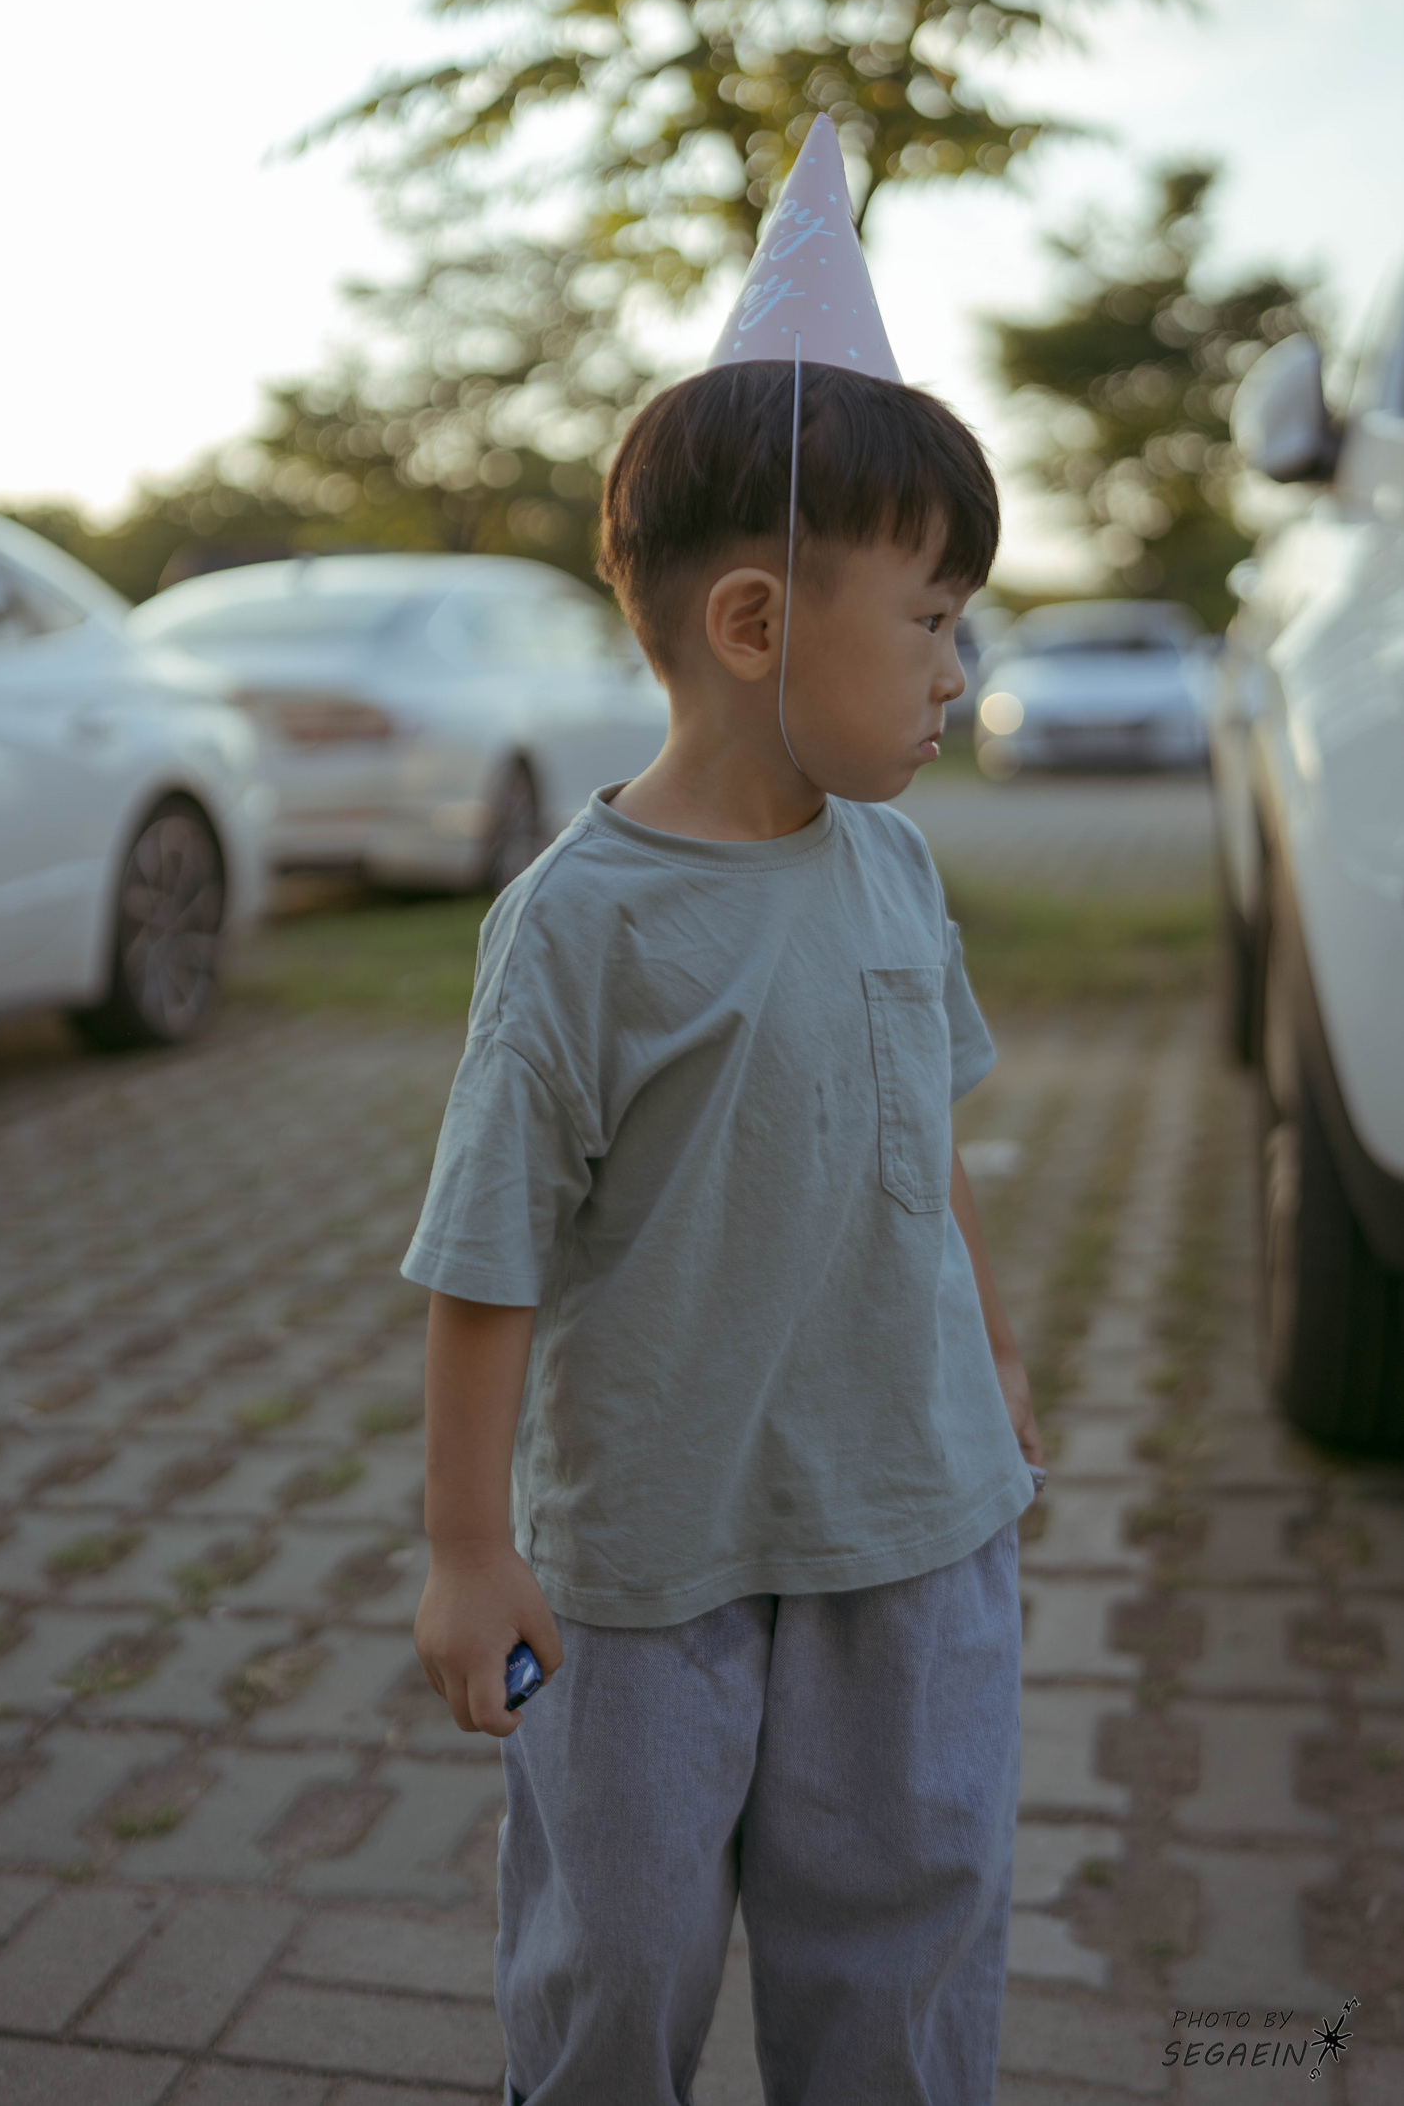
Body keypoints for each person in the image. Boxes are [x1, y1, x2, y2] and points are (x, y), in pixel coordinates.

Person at [403, 116, 1044, 2104]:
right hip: (646, 1567)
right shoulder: (580, 924)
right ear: (756, 623)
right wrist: (468, 1547)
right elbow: (488, 1252)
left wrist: (994, 1366)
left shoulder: (896, 867)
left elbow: (928, 1142)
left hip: (909, 1523)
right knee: (621, 1954)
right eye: (928, 620)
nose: (957, 671)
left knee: (906, 1946)